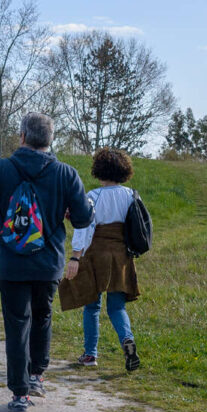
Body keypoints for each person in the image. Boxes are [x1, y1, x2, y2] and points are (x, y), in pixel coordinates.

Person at [0, 112, 94, 412]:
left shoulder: (1, 169)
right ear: (51, 139)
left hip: (11, 261)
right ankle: (37, 375)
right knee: (42, 316)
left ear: (22, 137)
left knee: (16, 323)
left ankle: (19, 394)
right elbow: (82, 218)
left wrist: (1, 212)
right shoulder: (66, 174)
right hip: (48, 260)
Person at [59, 148, 141, 372]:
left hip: (96, 255)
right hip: (121, 255)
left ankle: (90, 354)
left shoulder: (93, 197)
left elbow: (85, 228)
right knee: (117, 307)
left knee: (92, 307)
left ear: (99, 170)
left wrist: (75, 256)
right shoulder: (131, 195)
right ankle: (127, 339)